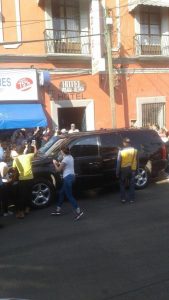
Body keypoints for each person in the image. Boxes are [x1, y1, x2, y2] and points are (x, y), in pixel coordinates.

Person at [51, 145, 83, 220]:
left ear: (62, 151)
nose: (60, 153)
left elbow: (58, 170)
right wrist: (59, 163)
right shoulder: (70, 157)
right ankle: (58, 210)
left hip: (67, 178)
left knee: (69, 196)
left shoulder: (65, 159)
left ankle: (79, 212)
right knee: (61, 193)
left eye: (61, 151)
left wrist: (55, 164)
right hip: (71, 177)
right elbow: (64, 165)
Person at [12, 143, 37, 219]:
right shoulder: (28, 156)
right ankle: (27, 209)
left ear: (17, 152)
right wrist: (34, 145)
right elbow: (35, 153)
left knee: (22, 196)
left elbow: (14, 169)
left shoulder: (15, 159)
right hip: (30, 178)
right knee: (29, 194)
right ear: (23, 151)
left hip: (22, 179)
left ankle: (21, 213)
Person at [116, 137, 138, 203]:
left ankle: (123, 199)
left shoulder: (121, 151)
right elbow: (137, 161)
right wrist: (137, 170)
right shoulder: (135, 150)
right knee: (132, 184)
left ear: (124, 143)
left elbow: (118, 162)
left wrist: (117, 172)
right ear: (130, 143)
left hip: (123, 170)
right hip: (132, 169)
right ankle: (132, 199)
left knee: (122, 184)